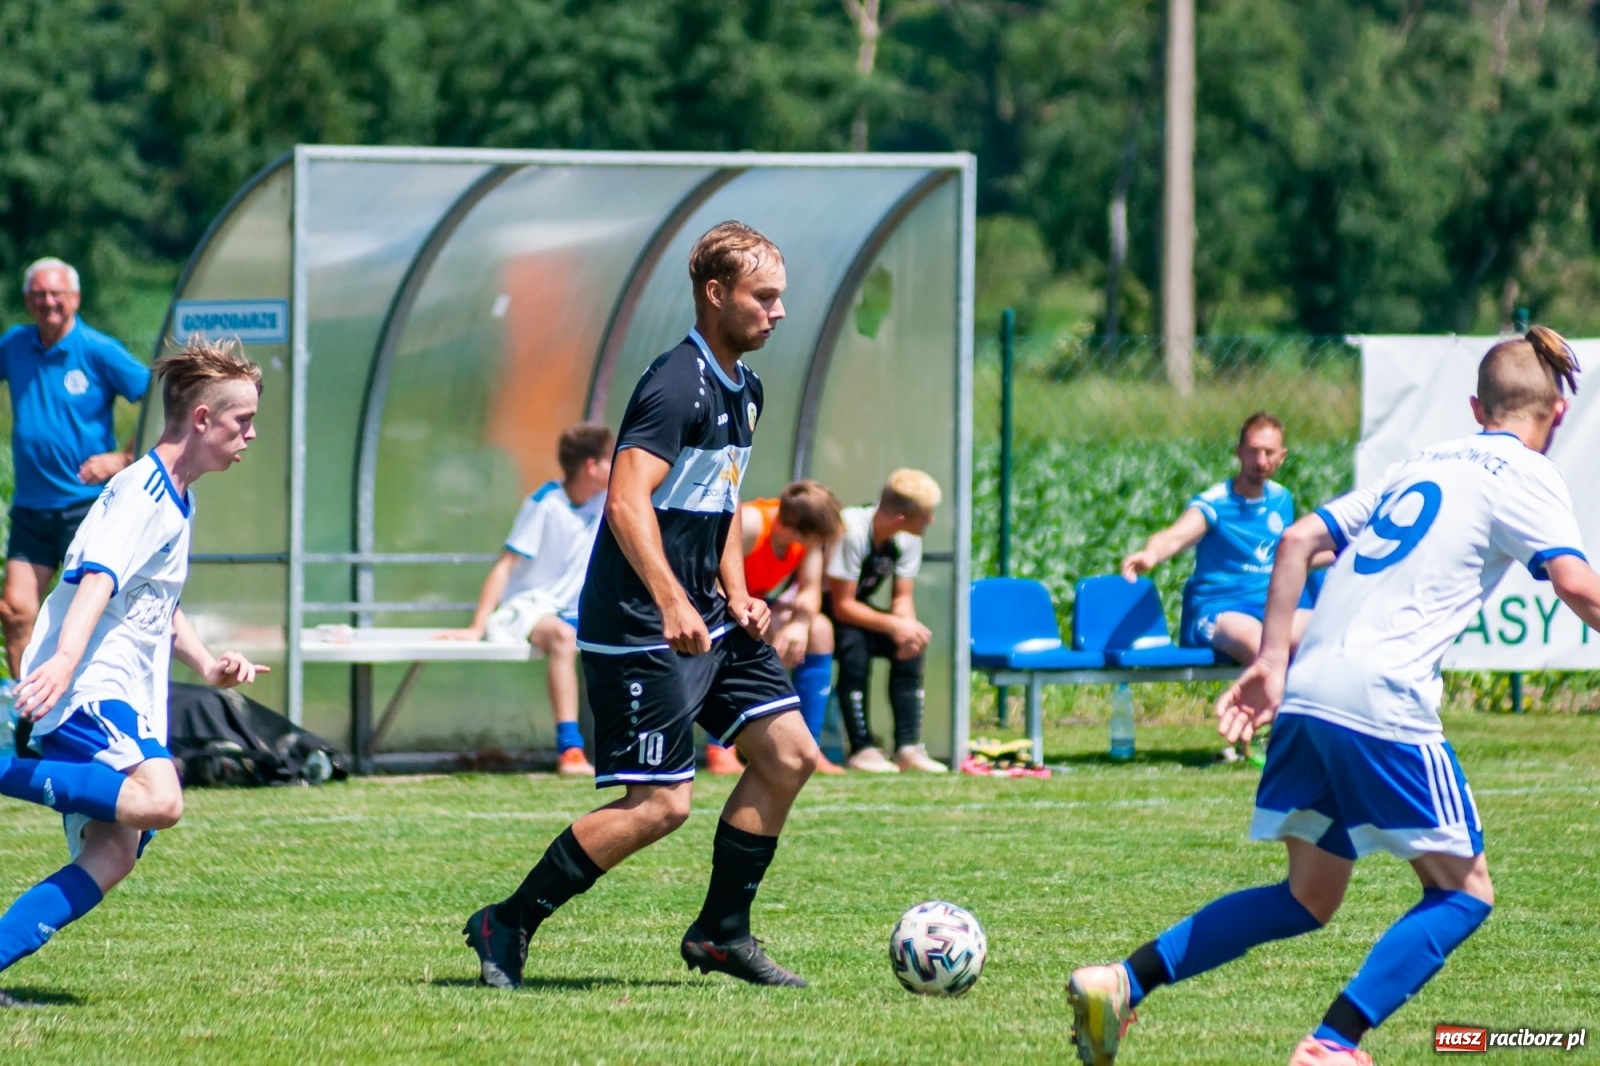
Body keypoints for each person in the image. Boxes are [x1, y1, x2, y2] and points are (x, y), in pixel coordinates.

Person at [1066, 326, 1600, 1066]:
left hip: (1311, 688)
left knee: (1307, 898)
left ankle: (1124, 980)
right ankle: (1333, 1044)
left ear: (1477, 406)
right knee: (1465, 892)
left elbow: (1297, 544)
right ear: (1558, 415)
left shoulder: (1422, 463)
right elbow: (1576, 585)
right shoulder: (1528, 473)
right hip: (1383, 696)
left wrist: (1271, 663)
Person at [462, 221, 819, 991]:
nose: (778, 312)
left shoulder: (745, 390)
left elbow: (716, 507)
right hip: (642, 626)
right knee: (660, 806)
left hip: (710, 620)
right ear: (715, 295)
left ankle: (721, 933)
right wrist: (669, 603)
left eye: (781, 298)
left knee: (790, 755)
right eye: (765, 297)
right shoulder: (675, 383)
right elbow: (627, 504)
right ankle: (508, 921)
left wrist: (737, 593)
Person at [0, 337, 268, 1004]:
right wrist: (64, 660)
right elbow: (99, 578)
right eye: (244, 421)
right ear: (202, 419)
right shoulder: (143, 492)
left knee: (116, 853)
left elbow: (155, 601)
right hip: (93, 691)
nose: (252, 435)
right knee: (161, 800)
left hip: (113, 692)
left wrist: (207, 661)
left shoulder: (178, 494)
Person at [0, 258, 151, 715]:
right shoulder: (15, 345)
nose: (49, 302)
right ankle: (29, 717)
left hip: (88, 508)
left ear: (75, 299)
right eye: (40, 294)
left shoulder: (98, 350)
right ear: (28, 300)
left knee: (97, 614)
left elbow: (161, 399)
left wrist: (123, 458)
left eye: (57, 294)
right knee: (15, 611)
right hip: (31, 505)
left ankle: (90, 707)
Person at [1120, 412, 1313, 762]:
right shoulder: (1214, 503)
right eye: (1253, 451)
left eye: (1269, 453)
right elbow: (1176, 536)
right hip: (1220, 612)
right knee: (1261, 645)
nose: (1260, 461)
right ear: (1238, 452)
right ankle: (1261, 740)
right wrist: (1150, 555)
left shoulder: (1282, 500)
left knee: (1326, 633)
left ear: (1282, 456)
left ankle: (1318, 739)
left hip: (1271, 609)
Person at [438, 422, 613, 777]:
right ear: (592, 467)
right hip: (532, 608)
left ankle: (635, 747)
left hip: (580, 611)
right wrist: (476, 626)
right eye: (613, 459)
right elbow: (505, 567)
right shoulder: (545, 504)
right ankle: (571, 751)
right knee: (563, 637)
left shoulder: (611, 501)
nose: (621, 465)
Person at [706, 479, 845, 776]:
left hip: (756, 602)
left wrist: (799, 625)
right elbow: (711, 579)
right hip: (719, 605)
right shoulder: (752, 524)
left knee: (820, 630)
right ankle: (719, 749)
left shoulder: (804, 537)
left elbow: (809, 590)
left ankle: (809, 746)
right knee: (733, 631)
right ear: (795, 531)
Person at [824, 469, 944, 774]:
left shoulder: (907, 537)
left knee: (910, 645)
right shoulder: (852, 529)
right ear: (902, 518)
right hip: (827, 610)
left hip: (857, 608)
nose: (931, 521)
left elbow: (901, 598)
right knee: (854, 644)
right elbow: (842, 606)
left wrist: (908, 632)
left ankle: (906, 747)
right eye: (926, 515)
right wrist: (894, 625)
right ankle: (861, 748)